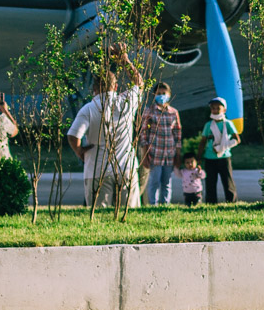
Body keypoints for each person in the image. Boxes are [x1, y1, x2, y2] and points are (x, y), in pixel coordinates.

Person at [68, 66, 143, 208]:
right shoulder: (127, 102)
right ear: (115, 86)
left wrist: (80, 151)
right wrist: (124, 60)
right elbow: (139, 83)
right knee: (129, 212)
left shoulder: (89, 108)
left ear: (94, 88)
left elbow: (73, 135)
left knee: (99, 216)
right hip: (126, 167)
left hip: (97, 168)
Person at [142, 81, 181, 205]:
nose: (161, 96)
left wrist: (178, 154)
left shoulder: (173, 112)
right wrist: (144, 154)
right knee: (154, 181)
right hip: (155, 153)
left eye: (164, 93)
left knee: (167, 182)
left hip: (169, 153)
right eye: (158, 93)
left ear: (169, 94)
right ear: (154, 95)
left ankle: (165, 204)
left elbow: (177, 133)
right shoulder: (149, 112)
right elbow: (144, 134)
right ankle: (152, 204)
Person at [200, 96, 240, 203]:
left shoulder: (228, 124)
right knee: (210, 183)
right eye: (213, 108)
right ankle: (211, 203)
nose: (215, 110)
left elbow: (237, 139)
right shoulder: (208, 125)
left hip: (224, 157)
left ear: (224, 110)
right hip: (209, 158)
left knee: (228, 182)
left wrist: (222, 147)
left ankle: (231, 202)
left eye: (218, 108)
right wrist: (199, 157)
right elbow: (203, 141)